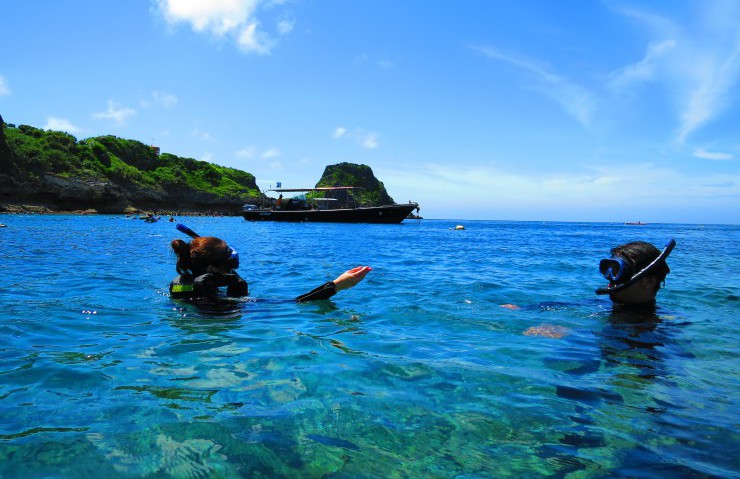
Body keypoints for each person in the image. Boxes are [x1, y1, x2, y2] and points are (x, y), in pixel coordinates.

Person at [168, 224, 371, 303]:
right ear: (213, 268)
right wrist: (337, 285)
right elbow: (292, 304)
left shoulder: (185, 287)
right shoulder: (225, 304)